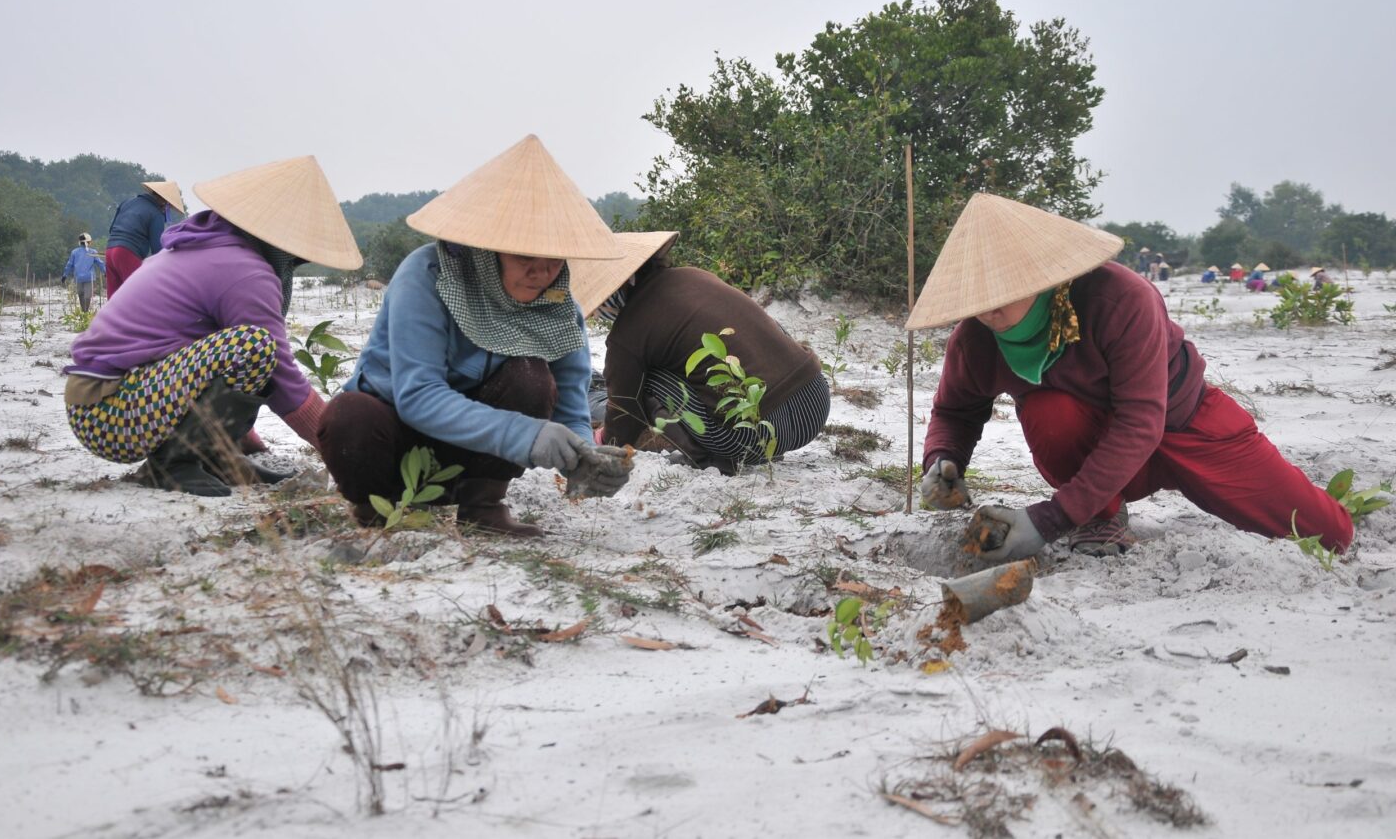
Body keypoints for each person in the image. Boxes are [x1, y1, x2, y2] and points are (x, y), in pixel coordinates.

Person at [909, 193, 1353, 561]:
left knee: (1329, 535)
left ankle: (1087, 505)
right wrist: (943, 458)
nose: (990, 309)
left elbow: (1141, 421)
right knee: (1051, 410)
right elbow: (954, 409)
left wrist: (1050, 518)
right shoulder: (974, 341)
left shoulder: (1119, 299)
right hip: (1089, 446)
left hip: (1185, 424)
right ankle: (1100, 513)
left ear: (1041, 275)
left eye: (1004, 290)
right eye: (979, 297)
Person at [317, 135, 633, 538]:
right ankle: (376, 512)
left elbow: (571, 397)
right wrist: (526, 434)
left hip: (472, 458)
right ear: (488, 249)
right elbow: (418, 396)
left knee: (531, 377)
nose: (542, 273)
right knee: (349, 416)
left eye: (553, 260)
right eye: (524, 258)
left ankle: (482, 506)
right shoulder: (428, 277)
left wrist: (586, 456)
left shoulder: (556, 303)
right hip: (391, 439)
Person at [64, 157, 361, 497]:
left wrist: (240, 446)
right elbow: (279, 375)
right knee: (254, 346)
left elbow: (208, 370)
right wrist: (343, 453)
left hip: (112, 402)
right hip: (109, 415)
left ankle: (212, 458)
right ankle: (173, 465)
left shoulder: (205, 244)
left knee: (244, 346)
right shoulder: (245, 270)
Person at [569, 231, 830, 475]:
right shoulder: (694, 275)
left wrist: (603, 438)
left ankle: (705, 457)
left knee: (648, 378)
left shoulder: (627, 331)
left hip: (751, 437)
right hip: (815, 405)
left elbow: (625, 410)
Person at [106, 180, 185, 297]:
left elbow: (112, 229)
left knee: (114, 299)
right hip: (127, 253)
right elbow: (157, 249)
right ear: (164, 202)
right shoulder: (156, 213)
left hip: (110, 250)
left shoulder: (127, 202)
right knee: (138, 295)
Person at [62, 232, 106, 312]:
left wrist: (65, 275)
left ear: (80, 242)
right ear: (88, 242)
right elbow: (100, 263)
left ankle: (84, 312)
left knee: (81, 295)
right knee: (87, 296)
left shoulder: (74, 252)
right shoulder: (93, 252)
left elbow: (69, 265)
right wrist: (105, 272)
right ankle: (85, 312)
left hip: (78, 278)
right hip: (89, 278)